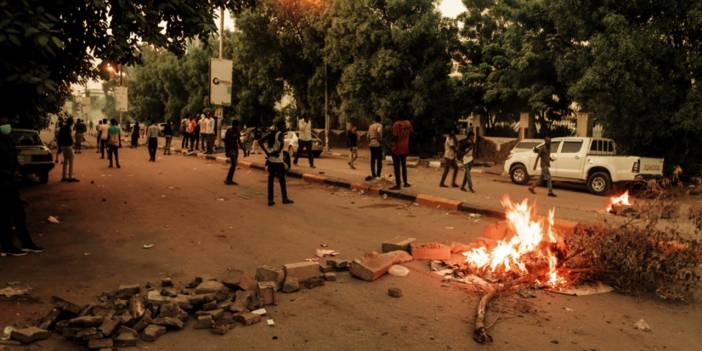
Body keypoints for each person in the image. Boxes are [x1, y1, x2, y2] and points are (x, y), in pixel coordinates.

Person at [0, 114, 44, 256]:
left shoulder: (8, 140)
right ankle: (8, 246)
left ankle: (26, 243)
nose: (6, 125)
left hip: (11, 184)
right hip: (3, 183)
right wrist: (10, 174)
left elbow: (14, 160)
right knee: (7, 217)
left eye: (7, 122)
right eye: (3, 123)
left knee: (18, 214)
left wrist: (17, 173)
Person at [260, 120, 294, 206]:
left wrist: (268, 153)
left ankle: (270, 200)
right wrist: (277, 152)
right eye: (284, 126)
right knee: (282, 180)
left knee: (270, 180)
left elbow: (260, 141)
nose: (285, 127)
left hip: (270, 160)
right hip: (278, 161)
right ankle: (284, 198)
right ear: (281, 127)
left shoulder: (271, 134)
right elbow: (281, 147)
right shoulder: (280, 135)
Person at [389, 115, 413, 190]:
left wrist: (392, 141)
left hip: (397, 148)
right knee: (403, 165)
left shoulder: (396, 124)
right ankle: (405, 182)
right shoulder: (408, 123)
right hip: (405, 147)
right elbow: (411, 132)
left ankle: (398, 184)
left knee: (396, 167)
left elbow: (395, 136)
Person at [224, 120, 245, 185]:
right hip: (230, 149)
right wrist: (226, 151)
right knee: (233, 164)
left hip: (235, 149)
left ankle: (229, 179)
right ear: (234, 125)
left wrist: (244, 150)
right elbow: (226, 142)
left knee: (234, 165)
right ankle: (228, 180)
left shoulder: (237, 131)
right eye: (237, 125)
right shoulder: (229, 131)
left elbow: (239, 141)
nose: (238, 126)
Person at [58, 117, 78, 182]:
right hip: (68, 145)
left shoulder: (63, 127)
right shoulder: (68, 128)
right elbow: (69, 137)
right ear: (71, 122)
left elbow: (59, 136)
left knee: (65, 160)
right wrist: (73, 143)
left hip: (62, 145)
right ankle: (70, 177)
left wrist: (59, 147)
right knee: (71, 160)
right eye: (73, 122)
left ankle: (64, 176)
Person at [366, 115, 383, 180]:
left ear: (374, 120)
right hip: (377, 144)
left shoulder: (370, 126)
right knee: (379, 160)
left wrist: (369, 142)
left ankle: (373, 174)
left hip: (371, 144)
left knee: (372, 160)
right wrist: (380, 140)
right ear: (380, 120)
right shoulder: (380, 125)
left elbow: (367, 136)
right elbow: (379, 132)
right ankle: (378, 174)